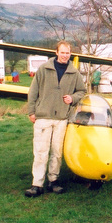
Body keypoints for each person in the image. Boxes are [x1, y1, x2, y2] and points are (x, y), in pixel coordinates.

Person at [24, 40, 86, 197]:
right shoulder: (44, 69)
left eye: (67, 53)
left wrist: (72, 98)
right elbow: (33, 91)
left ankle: (53, 181)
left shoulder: (74, 72)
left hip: (61, 119)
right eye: (62, 52)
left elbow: (82, 91)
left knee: (57, 152)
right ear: (56, 52)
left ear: (70, 54)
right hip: (43, 117)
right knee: (40, 152)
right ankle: (37, 184)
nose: (65, 55)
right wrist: (32, 111)